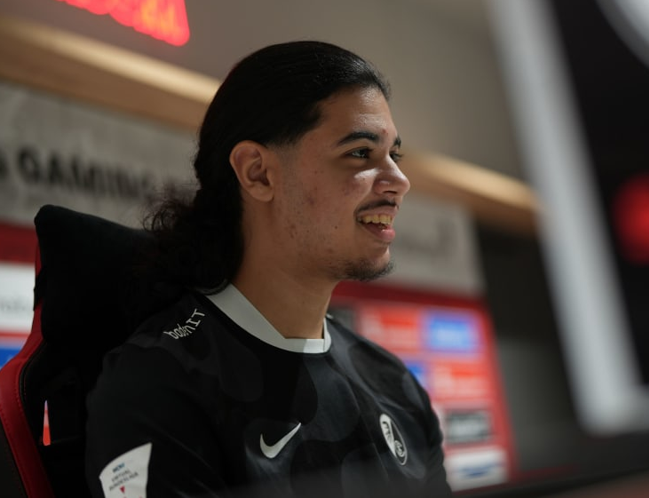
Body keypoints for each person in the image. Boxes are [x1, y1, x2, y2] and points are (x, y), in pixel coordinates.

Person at [84, 40, 452, 498]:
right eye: (361, 153)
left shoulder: (396, 384)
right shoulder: (157, 384)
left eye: (394, 155)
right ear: (257, 172)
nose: (399, 180)